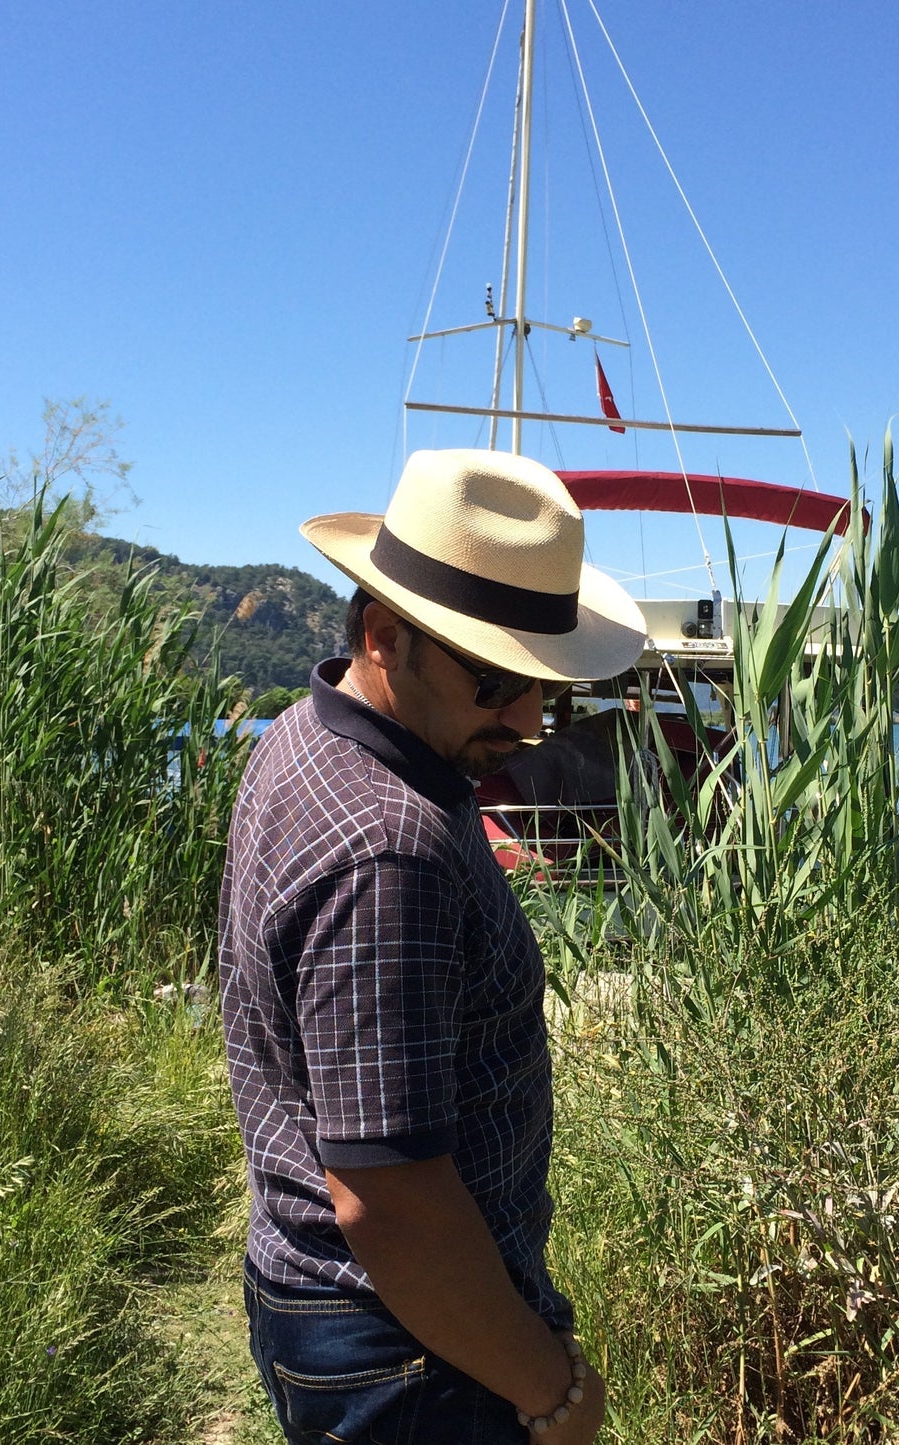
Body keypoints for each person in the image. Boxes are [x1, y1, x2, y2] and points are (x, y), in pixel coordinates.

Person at [219, 448, 646, 1444]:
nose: (529, 721)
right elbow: (391, 1196)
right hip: (409, 1349)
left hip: (324, 1296)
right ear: (384, 637)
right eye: (497, 681)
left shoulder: (303, 733)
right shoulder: (390, 847)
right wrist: (550, 1389)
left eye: (548, 688)